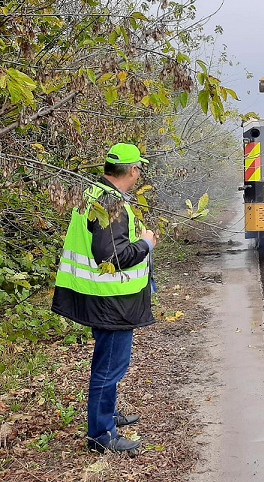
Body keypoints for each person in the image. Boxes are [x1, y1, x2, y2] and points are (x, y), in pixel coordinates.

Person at [52, 143, 158, 456]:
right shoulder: (110, 204)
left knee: (109, 365)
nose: (139, 173)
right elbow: (112, 255)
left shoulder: (96, 195)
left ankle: (107, 416)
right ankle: (101, 434)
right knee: (109, 368)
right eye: (139, 168)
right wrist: (146, 244)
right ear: (134, 170)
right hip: (111, 303)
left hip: (104, 298)